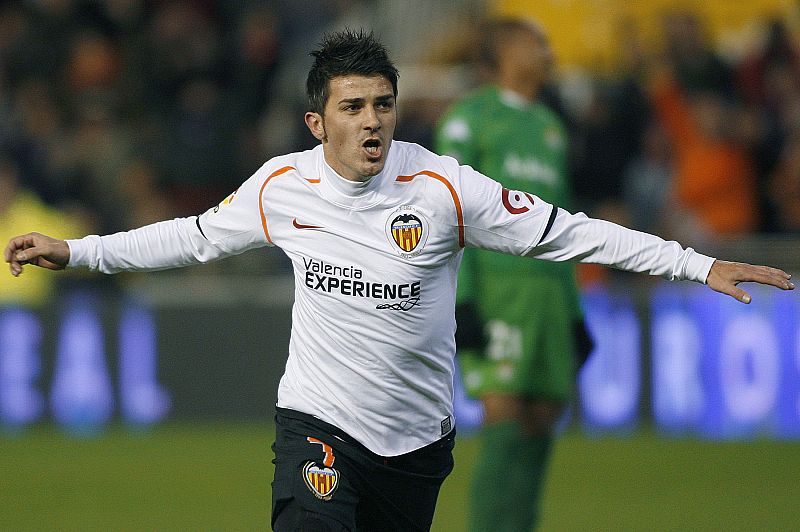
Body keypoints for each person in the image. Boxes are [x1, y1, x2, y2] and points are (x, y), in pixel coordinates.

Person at [4, 30, 794, 532]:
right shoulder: (282, 185)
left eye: (383, 104)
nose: (373, 120)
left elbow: (570, 231)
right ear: (318, 123)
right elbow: (195, 236)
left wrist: (699, 264)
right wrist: (79, 251)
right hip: (319, 422)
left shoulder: (444, 187)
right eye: (353, 107)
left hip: (416, 442)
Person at [434, 19, 586, 531]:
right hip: (497, 290)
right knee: (503, 412)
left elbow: (563, 225)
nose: (546, 52)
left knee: (543, 417)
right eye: (534, 43)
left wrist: (574, 311)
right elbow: (450, 213)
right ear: (501, 54)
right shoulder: (469, 120)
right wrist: (463, 297)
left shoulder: (550, 127)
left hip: (549, 294)